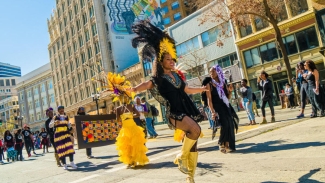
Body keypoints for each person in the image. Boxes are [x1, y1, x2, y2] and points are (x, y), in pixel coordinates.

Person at [130, 21, 207, 183]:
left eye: (172, 59)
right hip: (175, 113)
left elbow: (186, 89)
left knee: (194, 142)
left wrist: (202, 89)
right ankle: (180, 156)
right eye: (168, 59)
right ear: (160, 61)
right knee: (196, 129)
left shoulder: (177, 75)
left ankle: (190, 177)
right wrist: (134, 89)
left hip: (186, 110)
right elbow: (146, 85)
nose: (172, 61)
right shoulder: (158, 78)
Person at [206, 65, 239, 153]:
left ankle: (227, 145)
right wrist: (212, 112)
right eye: (210, 72)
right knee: (225, 124)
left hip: (225, 105)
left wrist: (231, 91)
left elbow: (227, 97)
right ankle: (222, 143)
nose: (211, 73)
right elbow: (209, 100)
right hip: (217, 107)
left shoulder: (223, 82)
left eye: (213, 71)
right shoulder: (209, 84)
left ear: (218, 71)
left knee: (230, 124)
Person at [115, 94, 149, 168]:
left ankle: (130, 162)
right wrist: (130, 116)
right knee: (135, 144)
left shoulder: (118, 108)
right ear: (127, 99)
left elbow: (117, 120)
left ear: (120, 100)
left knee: (127, 145)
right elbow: (137, 114)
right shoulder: (131, 106)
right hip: (133, 126)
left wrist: (123, 117)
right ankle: (137, 160)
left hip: (125, 128)